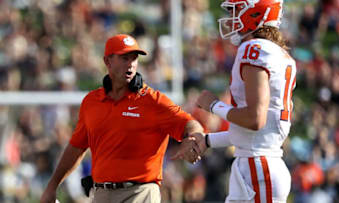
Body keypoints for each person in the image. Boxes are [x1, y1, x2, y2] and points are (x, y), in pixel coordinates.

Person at [40, 34, 203, 203]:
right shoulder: (91, 102)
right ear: (107, 62)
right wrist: (52, 186)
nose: (131, 64)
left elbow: (190, 123)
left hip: (141, 193)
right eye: (125, 58)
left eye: (134, 59)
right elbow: (76, 148)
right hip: (102, 193)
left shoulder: (153, 101)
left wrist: (192, 137)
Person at [190, 0, 297, 202]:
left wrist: (214, 105)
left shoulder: (255, 49)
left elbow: (255, 120)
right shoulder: (273, 52)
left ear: (256, 14)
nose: (231, 18)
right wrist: (207, 140)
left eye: (236, 10)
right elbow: (250, 135)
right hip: (255, 165)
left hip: (258, 168)